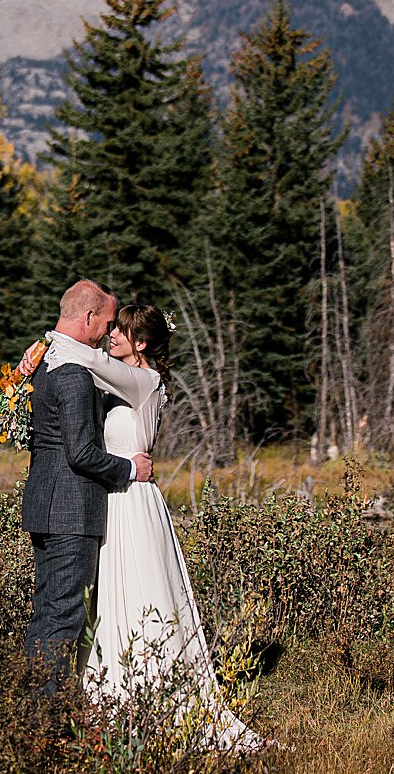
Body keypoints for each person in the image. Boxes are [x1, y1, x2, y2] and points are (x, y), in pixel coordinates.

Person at [20, 302, 261, 751]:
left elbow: (86, 358)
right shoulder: (111, 379)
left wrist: (50, 340)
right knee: (105, 603)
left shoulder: (145, 382)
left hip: (135, 501)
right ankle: (106, 701)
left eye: (121, 331)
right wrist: (30, 362)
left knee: (143, 595)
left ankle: (154, 697)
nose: (111, 336)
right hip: (108, 500)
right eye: (109, 328)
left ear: (142, 343)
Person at [21, 279, 154, 695]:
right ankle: (43, 718)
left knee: (47, 611)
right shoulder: (74, 374)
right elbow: (81, 453)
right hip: (72, 509)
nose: (109, 332)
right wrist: (130, 470)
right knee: (62, 618)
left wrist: (40, 344)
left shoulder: (46, 362)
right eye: (108, 322)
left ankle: (31, 707)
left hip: (45, 503)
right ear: (89, 317)